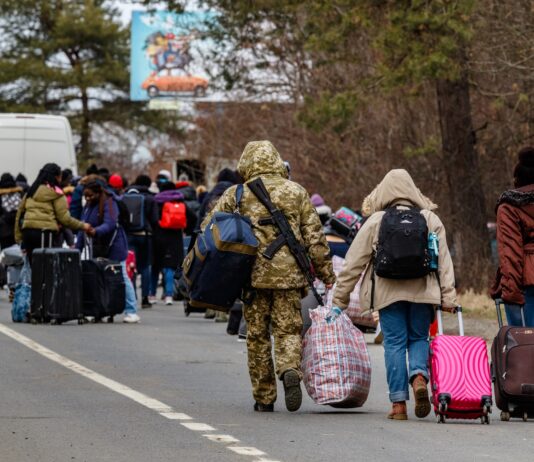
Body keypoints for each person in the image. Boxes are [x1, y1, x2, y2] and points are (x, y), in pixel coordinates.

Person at [203, 140, 335, 413]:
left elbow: (209, 228)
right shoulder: (296, 192)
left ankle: (264, 396)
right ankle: (289, 369)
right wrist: (326, 273)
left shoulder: (236, 194)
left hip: (250, 275)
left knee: (258, 335)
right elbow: (315, 238)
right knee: (288, 329)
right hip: (288, 277)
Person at [332, 169, 457, 421]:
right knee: (419, 337)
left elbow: (353, 264)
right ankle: (419, 376)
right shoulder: (430, 219)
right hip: (423, 291)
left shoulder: (376, 221)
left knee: (395, 343)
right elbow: (444, 262)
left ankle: (398, 405)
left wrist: (340, 300)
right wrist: (448, 297)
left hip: (388, 292)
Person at [76, 180, 140, 324]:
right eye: (85, 196)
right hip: (98, 246)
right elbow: (82, 227)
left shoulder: (110, 203)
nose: (87, 199)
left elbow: (110, 224)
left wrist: (95, 231)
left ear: (98, 193)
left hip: (115, 245)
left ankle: (132, 311)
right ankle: (100, 310)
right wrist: (77, 249)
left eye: (90, 196)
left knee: (122, 276)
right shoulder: (88, 206)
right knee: (98, 278)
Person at [15, 163, 92, 263]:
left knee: (35, 269)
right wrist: (83, 226)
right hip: (45, 234)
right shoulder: (56, 193)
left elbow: (19, 214)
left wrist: (19, 238)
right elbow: (65, 219)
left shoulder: (31, 191)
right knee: (47, 269)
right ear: (56, 177)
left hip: (28, 233)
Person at [492, 147, 534, 326]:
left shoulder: (510, 206)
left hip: (526, 284)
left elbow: (510, 252)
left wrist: (510, 293)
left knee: (524, 345)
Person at [150, 182, 195, 305]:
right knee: (169, 267)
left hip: (158, 237)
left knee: (155, 266)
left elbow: (152, 219)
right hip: (175, 238)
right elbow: (193, 218)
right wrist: (186, 230)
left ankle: (152, 295)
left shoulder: (157, 201)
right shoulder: (180, 202)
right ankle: (168, 295)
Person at [124, 175, 159, 308]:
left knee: (131, 266)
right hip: (145, 235)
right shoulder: (150, 198)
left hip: (128, 235)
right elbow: (155, 220)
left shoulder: (125, 197)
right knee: (145, 266)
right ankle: (145, 298)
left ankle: (132, 295)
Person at [0, 173, 23, 249]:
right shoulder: (20, 194)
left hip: (4, 232)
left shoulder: (1, 196)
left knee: (5, 255)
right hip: (17, 231)